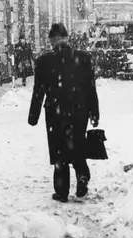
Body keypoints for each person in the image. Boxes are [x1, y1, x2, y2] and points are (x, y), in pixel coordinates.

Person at [28, 22, 100, 202]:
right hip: (79, 111)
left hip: (55, 112)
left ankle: (62, 191)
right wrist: (94, 112)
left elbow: (38, 92)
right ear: (67, 39)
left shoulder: (43, 62)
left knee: (59, 151)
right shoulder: (83, 58)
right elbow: (90, 88)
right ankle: (82, 176)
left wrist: (33, 116)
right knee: (77, 144)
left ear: (51, 40)